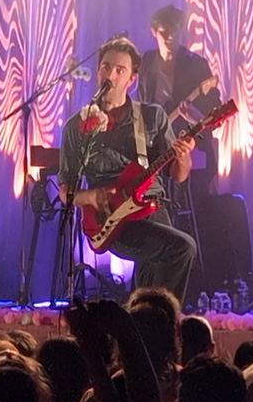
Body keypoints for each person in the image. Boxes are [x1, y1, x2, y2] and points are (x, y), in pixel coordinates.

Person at [60, 36, 198, 303]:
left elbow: (178, 175)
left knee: (153, 281)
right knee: (181, 248)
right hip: (113, 220)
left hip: (154, 210)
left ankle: (143, 325)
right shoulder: (76, 126)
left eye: (119, 70)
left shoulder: (151, 116)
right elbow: (65, 191)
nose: (110, 75)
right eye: (106, 67)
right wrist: (92, 197)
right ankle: (161, 322)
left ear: (131, 79)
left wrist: (184, 157)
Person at [138, 5, 221, 197]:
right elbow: (142, 103)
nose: (170, 36)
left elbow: (213, 111)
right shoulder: (147, 62)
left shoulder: (196, 65)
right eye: (164, 31)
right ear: (154, 32)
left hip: (187, 138)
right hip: (154, 141)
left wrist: (194, 117)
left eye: (175, 30)